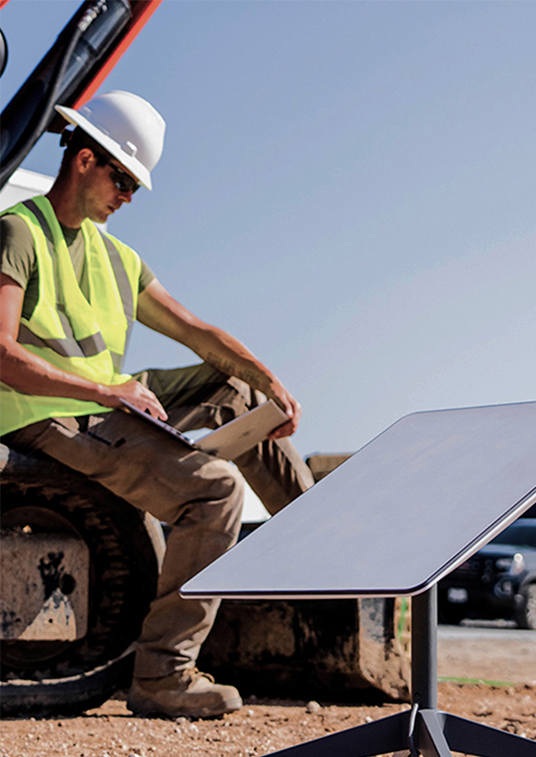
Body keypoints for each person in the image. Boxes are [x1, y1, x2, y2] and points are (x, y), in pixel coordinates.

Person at [0, 90, 314, 718]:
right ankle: (163, 676)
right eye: (124, 179)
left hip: (104, 403)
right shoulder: (17, 230)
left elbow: (196, 332)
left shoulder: (119, 257)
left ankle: (318, 538)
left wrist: (268, 381)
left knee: (239, 393)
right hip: (46, 414)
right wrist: (104, 390)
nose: (130, 196)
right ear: (85, 160)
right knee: (215, 491)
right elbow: (0, 354)